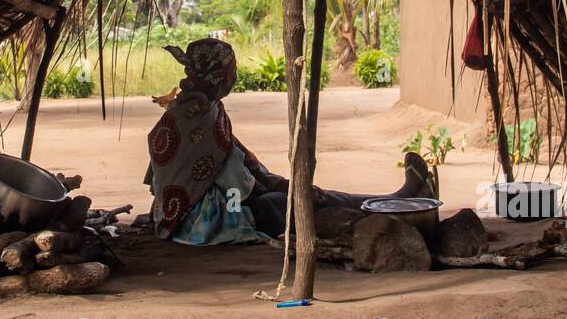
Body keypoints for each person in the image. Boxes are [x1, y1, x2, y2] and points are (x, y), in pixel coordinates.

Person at [144, 38, 434, 245]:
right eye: (231, 71)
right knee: (291, 203)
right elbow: (239, 179)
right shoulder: (201, 115)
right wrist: (286, 187)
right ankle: (391, 204)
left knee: (293, 197)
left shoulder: (190, 108)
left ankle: (393, 200)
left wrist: (279, 183)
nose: (234, 77)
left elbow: (232, 157)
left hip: (177, 215)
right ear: (218, 75)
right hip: (201, 221)